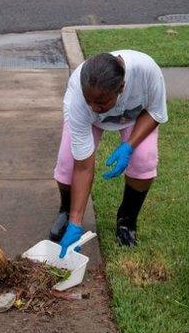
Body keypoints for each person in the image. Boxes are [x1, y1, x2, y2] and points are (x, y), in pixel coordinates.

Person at [48, 51, 168, 256]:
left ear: (121, 87)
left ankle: (127, 220)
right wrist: (77, 222)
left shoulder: (146, 70)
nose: (94, 107)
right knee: (68, 164)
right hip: (90, 123)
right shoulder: (78, 98)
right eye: (90, 101)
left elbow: (156, 111)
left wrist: (129, 145)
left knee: (143, 159)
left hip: (135, 117)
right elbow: (83, 166)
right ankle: (67, 212)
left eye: (101, 103)